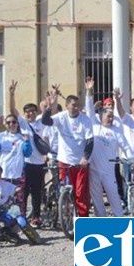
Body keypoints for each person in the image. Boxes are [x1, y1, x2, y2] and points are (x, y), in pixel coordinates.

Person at [42, 89, 93, 217]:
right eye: (73, 105)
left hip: (80, 162)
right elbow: (45, 121)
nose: (76, 108)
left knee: (80, 192)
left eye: (78, 105)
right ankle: (67, 217)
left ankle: (83, 219)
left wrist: (85, 158)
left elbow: (90, 141)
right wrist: (49, 107)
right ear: (67, 106)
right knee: (65, 189)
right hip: (64, 160)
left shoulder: (85, 120)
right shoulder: (61, 117)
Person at [85, 78, 132, 217]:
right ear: (101, 116)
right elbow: (89, 109)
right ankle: (102, 221)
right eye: (108, 115)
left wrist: (132, 159)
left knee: (114, 196)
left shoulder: (116, 131)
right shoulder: (94, 125)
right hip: (94, 169)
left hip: (109, 170)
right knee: (97, 198)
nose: (110, 118)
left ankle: (119, 219)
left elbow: (126, 147)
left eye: (112, 116)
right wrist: (89, 91)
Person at [9, 81, 49, 227]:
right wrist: (11, 94)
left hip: (38, 163)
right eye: (28, 111)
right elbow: (13, 110)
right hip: (26, 164)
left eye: (33, 110)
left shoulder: (40, 122)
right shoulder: (24, 124)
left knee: (37, 192)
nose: (31, 113)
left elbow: (51, 114)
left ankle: (36, 217)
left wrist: (51, 101)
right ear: (25, 114)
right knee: (24, 192)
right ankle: (22, 216)